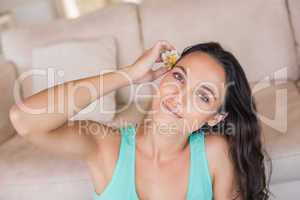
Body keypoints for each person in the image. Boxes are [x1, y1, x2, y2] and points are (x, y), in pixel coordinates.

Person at [9, 40, 270, 200]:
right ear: (163, 77)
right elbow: (23, 118)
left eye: (203, 95)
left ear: (216, 116)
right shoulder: (106, 146)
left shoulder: (216, 153)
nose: (179, 95)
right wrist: (129, 74)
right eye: (179, 77)